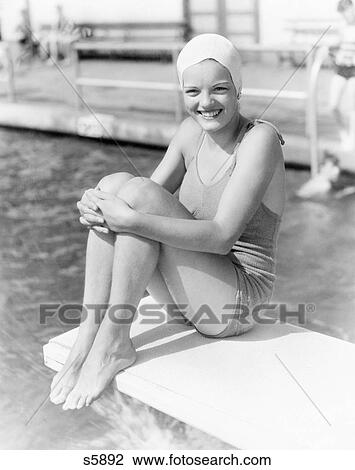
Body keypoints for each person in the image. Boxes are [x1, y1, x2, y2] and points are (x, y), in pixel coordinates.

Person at [49, 34, 285, 410]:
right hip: (191, 295)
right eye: (193, 91)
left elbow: (222, 237)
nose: (205, 103)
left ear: (238, 89)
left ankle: (113, 343)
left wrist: (129, 216)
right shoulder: (190, 133)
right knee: (113, 185)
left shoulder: (260, 139)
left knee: (135, 200)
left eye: (220, 89)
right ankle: (90, 332)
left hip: (237, 301)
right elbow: (135, 195)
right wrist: (95, 205)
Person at [329, 0, 355, 150]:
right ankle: (343, 133)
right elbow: (336, 45)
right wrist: (329, 50)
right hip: (340, 68)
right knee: (333, 105)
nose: (347, 14)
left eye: (349, 10)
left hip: (354, 70)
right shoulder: (342, 27)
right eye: (344, 11)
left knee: (352, 107)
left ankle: (351, 139)